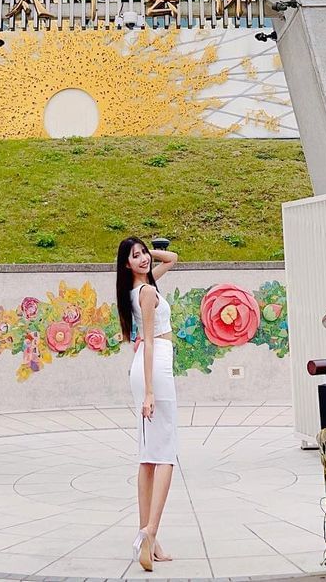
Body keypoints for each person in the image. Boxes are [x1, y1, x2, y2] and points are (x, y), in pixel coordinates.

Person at [115, 235, 179, 572]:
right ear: (126, 264)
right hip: (155, 365)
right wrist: (152, 392)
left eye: (143, 254)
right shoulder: (148, 292)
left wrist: (142, 252)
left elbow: (172, 258)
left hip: (142, 366)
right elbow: (153, 342)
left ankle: (149, 540)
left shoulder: (136, 290)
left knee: (148, 456)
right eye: (135, 256)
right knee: (165, 454)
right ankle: (149, 532)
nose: (144, 259)